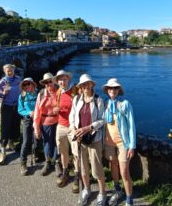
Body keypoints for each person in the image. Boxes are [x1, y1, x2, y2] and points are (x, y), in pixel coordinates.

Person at [69, 74, 107, 206]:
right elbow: (72, 117)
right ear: (81, 86)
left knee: (97, 168)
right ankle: (86, 189)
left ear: (92, 85)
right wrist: (74, 130)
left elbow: (103, 119)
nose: (86, 86)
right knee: (83, 168)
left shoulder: (98, 100)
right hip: (80, 139)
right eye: (83, 84)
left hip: (94, 139)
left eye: (88, 84)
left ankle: (102, 193)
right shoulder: (77, 99)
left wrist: (89, 127)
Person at [103, 78, 136, 206]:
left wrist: (132, 146)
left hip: (123, 143)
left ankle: (129, 199)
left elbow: (132, 126)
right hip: (109, 142)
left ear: (119, 90)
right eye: (110, 88)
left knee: (124, 171)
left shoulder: (125, 104)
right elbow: (102, 122)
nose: (113, 90)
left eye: (115, 88)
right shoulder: (105, 104)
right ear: (107, 90)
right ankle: (117, 189)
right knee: (113, 165)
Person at [54, 69, 79, 193]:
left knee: (75, 153)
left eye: (64, 79)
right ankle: (65, 172)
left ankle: (77, 176)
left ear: (68, 79)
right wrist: (55, 110)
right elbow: (58, 106)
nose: (62, 81)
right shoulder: (58, 92)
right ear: (57, 81)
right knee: (63, 151)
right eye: (60, 80)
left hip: (73, 127)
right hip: (61, 125)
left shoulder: (75, 90)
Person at [0, 64, 22, 165]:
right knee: (5, 128)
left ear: (14, 70)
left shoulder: (18, 79)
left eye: (11, 70)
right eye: (7, 71)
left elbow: (22, 89)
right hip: (7, 107)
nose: (10, 72)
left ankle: (11, 142)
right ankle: (3, 150)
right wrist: (2, 94)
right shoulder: (3, 81)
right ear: (4, 71)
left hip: (17, 107)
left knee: (15, 126)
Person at [33, 72, 59, 176]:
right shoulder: (41, 94)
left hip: (58, 121)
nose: (48, 84)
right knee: (47, 143)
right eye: (46, 82)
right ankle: (48, 162)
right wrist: (36, 128)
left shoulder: (59, 92)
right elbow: (37, 112)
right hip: (45, 122)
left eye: (50, 81)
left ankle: (57, 163)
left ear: (54, 81)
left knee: (57, 143)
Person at [18, 77, 38, 176]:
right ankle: (23, 163)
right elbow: (20, 110)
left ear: (33, 84)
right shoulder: (22, 96)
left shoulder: (39, 94)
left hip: (38, 119)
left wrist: (37, 113)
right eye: (24, 85)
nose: (26, 86)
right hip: (27, 119)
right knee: (26, 141)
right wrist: (29, 112)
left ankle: (36, 155)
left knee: (36, 139)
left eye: (28, 84)